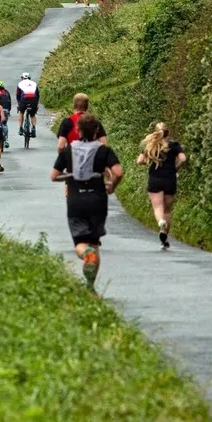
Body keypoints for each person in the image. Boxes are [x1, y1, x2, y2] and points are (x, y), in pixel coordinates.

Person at [50, 114, 124, 291]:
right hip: (98, 200)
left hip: (76, 201)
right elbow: (118, 172)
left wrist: (72, 176)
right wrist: (111, 186)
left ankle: (85, 254)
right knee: (94, 242)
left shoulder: (68, 150)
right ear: (97, 131)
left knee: (81, 244)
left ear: (78, 130)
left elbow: (54, 176)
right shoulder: (104, 150)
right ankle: (90, 286)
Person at [136, 122, 185, 249]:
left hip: (155, 178)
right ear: (168, 132)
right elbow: (183, 158)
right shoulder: (174, 145)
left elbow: (140, 161)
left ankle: (160, 222)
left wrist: (149, 160)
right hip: (170, 178)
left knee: (158, 207)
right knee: (167, 210)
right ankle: (164, 236)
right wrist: (176, 168)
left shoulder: (150, 145)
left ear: (155, 132)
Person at [16, 72, 39, 136]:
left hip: (24, 100)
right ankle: (33, 128)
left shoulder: (20, 83)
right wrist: (36, 104)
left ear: (22, 78)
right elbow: (37, 95)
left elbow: (18, 95)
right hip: (33, 100)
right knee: (32, 115)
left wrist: (19, 104)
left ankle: (20, 128)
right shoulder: (34, 83)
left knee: (21, 112)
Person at [0, 80, 12, 148]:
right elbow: (9, 102)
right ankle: (6, 139)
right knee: (4, 124)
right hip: (5, 110)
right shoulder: (6, 92)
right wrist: (9, 110)